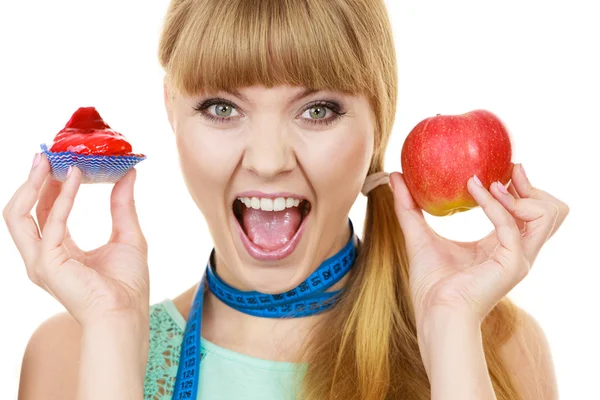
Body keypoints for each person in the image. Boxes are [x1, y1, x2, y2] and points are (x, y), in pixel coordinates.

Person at [4, 0, 569, 399]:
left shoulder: (497, 344)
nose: (269, 159)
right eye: (222, 108)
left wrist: (449, 333)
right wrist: (110, 334)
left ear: (379, 122)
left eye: (318, 109)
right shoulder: (71, 352)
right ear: (171, 109)